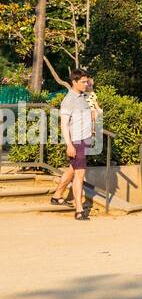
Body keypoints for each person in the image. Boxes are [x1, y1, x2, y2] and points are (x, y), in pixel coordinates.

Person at [49, 70, 94, 220]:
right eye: (83, 81)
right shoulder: (68, 100)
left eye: (86, 81)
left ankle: (57, 196)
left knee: (72, 169)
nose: (86, 84)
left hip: (85, 140)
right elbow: (64, 125)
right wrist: (69, 145)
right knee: (80, 174)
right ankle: (79, 210)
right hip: (76, 141)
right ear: (74, 82)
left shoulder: (83, 96)